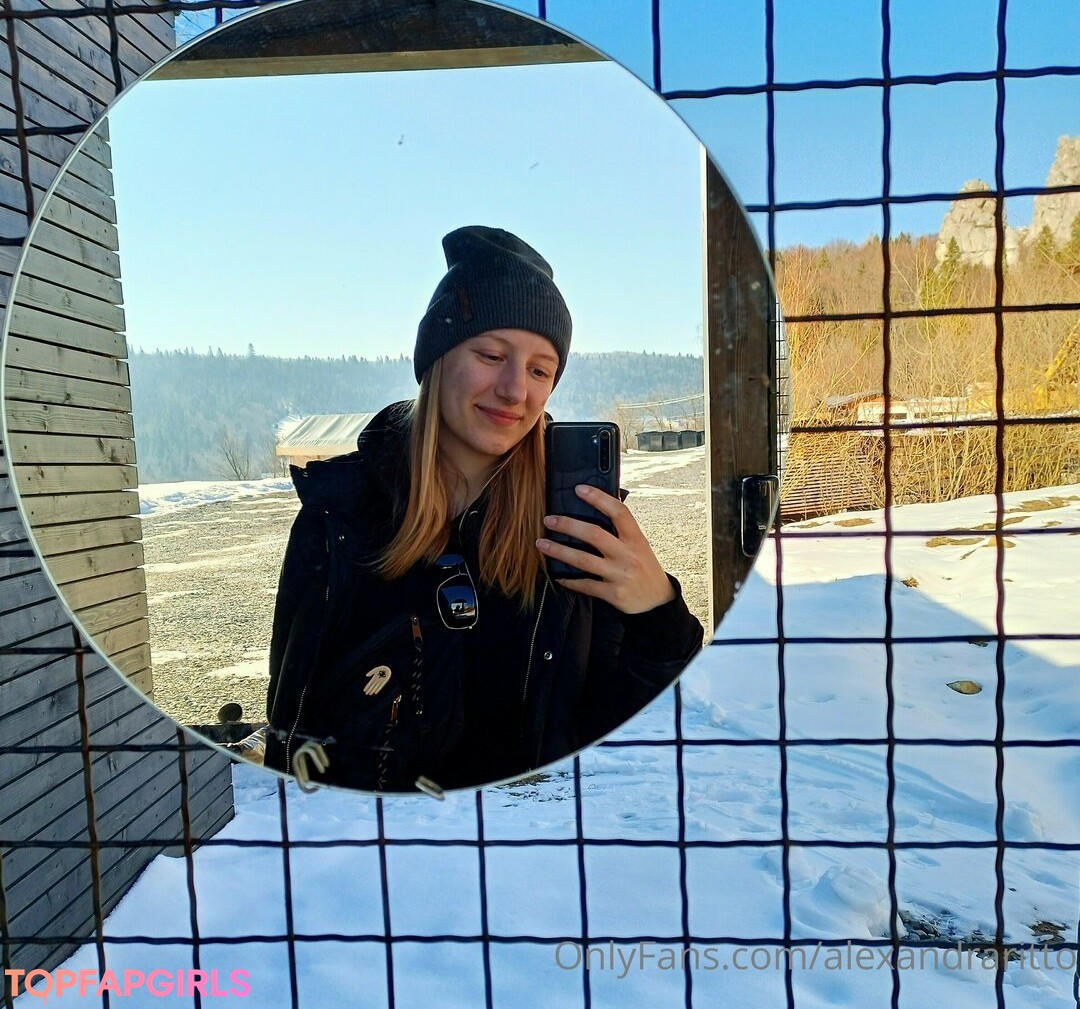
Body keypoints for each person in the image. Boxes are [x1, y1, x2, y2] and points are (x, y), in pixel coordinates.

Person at [264, 226, 703, 792]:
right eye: (492, 355)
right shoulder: (340, 517)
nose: (515, 390)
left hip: (538, 835)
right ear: (437, 360)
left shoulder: (576, 525)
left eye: (540, 370)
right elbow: (293, 726)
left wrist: (658, 615)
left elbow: (621, 740)